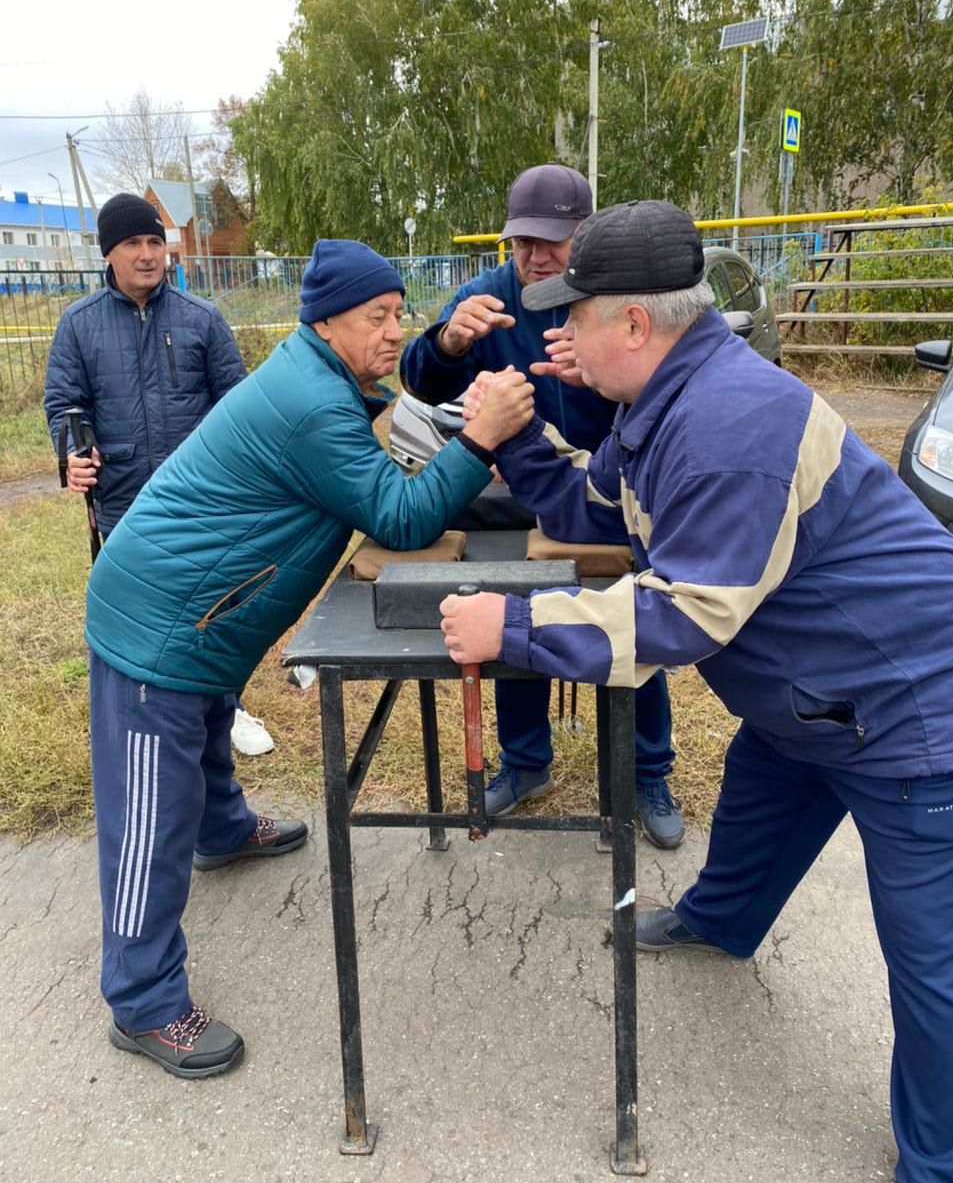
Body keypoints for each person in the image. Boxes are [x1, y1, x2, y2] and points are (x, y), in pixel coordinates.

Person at [439, 199, 953, 1183]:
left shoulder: (728, 423)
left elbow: (681, 615)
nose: (560, 331)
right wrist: (511, 442)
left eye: (574, 312)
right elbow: (600, 510)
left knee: (931, 966)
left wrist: (512, 627)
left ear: (634, 323)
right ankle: (723, 921)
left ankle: (939, 1177)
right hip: (808, 698)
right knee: (762, 797)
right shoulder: (664, 404)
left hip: (910, 708)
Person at [83, 238, 535, 1081]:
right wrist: (479, 439)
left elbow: (395, 464)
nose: (392, 332)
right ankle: (142, 1001)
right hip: (159, 622)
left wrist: (460, 440)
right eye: (377, 317)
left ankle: (220, 829)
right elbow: (400, 518)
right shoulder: (314, 405)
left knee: (208, 714)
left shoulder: (330, 379)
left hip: (202, 618)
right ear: (325, 320)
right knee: (148, 809)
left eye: (399, 314)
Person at [402, 163, 681, 848]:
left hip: (613, 494)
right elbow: (414, 381)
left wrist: (601, 381)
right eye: (522, 240)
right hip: (516, 496)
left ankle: (647, 772)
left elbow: (660, 388)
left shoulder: (611, 297)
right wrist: (448, 342)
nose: (533, 256)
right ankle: (526, 763)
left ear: (583, 232)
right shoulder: (484, 299)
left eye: (550, 241)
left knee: (635, 626)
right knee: (518, 619)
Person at [43, 193, 273, 758]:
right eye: (133, 244)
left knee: (212, 615)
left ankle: (227, 705)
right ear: (109, 254)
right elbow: (65, 405)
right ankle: (138, 715)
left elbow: (237, 408)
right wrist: (71, 453)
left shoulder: (202, 319)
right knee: (138, 620)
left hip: (202, 506)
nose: (147, 255)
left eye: (154, 243)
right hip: (121, 502)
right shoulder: (78, 325)